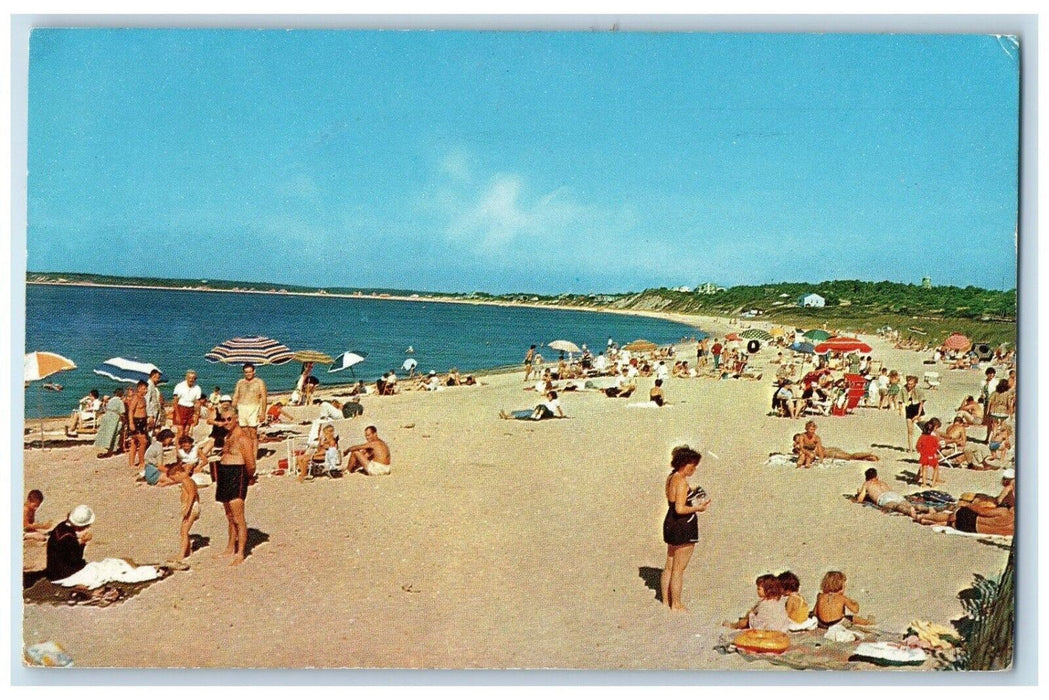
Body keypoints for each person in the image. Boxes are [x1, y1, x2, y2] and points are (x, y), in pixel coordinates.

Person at [660, 445, 710, 612]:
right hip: (683, 524)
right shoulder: (681, 482)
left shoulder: (672, 477)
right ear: (684, 464)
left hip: (671, 523)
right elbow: (680, 509)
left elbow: (674, 502)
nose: (694, 469)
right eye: (692, 465)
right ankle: (676, 604)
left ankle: (666, 601)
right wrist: (698, 508)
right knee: (678, 569)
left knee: (669, 564)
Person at [215, 411, 257, 566]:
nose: (226, 422)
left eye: (229, 419)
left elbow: (251, 464)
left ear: (236, 419)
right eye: (223, 420)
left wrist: (247, 478)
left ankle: (240, 552)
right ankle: (230, 547)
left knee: (238, 516)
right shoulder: (228, 436)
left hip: (236, 474)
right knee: (229, 515)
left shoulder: (243, 438)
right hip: (224, 473)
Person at [724, 574, 791, 632]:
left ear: (768, 590)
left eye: (759, 589)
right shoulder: (778, 600)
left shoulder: (764, 604)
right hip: (781, 629)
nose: (757, 591)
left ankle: (733, 626)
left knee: (745, 621)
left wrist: (750, 615)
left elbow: (759, 622)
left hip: (768, 630)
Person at [45, 505, 95, 581]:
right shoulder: (68, 537)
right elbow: (76, 559)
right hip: (61, 573)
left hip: (53, 568)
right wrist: (83, 543)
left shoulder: (61, 526)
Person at [854, 467, 928, 518]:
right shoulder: (882, 482)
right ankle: (927, 509)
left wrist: (859, 494)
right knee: (909, 504)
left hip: (884, 498)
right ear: (876, 476)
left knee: (896, 506)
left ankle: (909, 511)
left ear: (866, 478)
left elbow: (860, 500)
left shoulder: (867, 483)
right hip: (893, 494)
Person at [232, 362, 266, 458]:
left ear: (254, 371)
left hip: (253, 407)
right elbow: (235, 396)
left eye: (250, 372)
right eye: (246, 372)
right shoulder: (240, 382)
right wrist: (232, 411)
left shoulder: (259, 382)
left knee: (253, 433)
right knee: (244, 433)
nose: (248, 374)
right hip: (241, 408)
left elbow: (264, 398)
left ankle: (254, 455)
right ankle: (247, 454)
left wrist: (263, 413)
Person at [167, 461, 200, 561]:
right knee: (183, 530)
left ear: (178, 473)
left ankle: (182, 554)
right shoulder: (187, 480)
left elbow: (192, 494)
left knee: (184, 531)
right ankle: (187, 550)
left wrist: (187, 509)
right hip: (190, 506)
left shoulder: (186, 480)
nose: (175, 480)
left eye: (174, 478)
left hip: (191, 507)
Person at [94, 388, 126, 459]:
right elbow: (122, 412)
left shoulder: (111, 400)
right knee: (114, 433)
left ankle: (104, 447)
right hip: (114, 418)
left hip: (107, 416)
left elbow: (106, 407)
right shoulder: (120, 401)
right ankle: (111, 450)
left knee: (106, 433)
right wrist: (124, 420)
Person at [171, 370, 203, 442]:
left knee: (186, 432)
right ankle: (178, 450)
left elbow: (198, 403)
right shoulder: (180, 386)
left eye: (193, 378)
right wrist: (177, 415)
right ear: (186, 378)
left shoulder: (197, 388)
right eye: (189, 378)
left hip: (190, 409)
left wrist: (197, 416)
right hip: (180, 408)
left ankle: (184, 449)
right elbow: (175, 402)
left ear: (195, 379)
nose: (191, 380)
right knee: (180, 432)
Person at [125, 380, 149, 471]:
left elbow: (144, 410)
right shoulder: (136, 398)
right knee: (144, 442)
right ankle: (142, 462)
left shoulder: (143, 398)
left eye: (146, 388)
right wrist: (131, 423)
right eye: (144, 389)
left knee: (134, 442)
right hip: (136, 421)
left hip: (142, 421)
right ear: (139, 389)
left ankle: (131, 463)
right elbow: (131, 410)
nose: (146, 390)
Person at [499, 390, 566, 420]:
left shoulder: (555, 401)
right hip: (540, 411)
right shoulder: (546, 401)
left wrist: (562, 416)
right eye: (548, 396)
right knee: (524, 413)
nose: (548, 397)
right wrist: (535, 409)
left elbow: (559, 409)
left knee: (542, 406)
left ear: (553, 396)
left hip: (549, 413)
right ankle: (507, 416)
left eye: (549, 396)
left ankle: (537, 416)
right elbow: (539, 406)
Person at [916, 418, 944, 487]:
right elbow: (937, 446)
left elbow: (918, 446)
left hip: (924, 455)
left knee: (924, 468)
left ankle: (924, 484)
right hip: (932, 455)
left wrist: (921, 451)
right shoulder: (934, 437)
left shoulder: (922, 436)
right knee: (936, 468)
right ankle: (933, 484)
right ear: (934, 427)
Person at [902, 375, 925, 451]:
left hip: (917, 409)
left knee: (923, 430)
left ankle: (923, 446)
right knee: (910, 430)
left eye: (911, 384)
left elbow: (921, 403)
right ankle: (910, 448)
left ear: (915, 384)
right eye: (908, 383)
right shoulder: (904, 389)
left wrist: (918, 415)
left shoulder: (918, 390)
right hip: (909, 409)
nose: (909, 385)